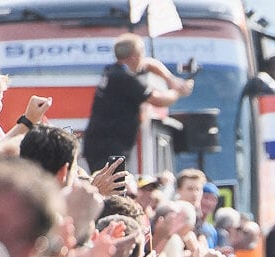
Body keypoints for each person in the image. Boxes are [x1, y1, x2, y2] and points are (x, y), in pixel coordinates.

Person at [82, 32, 193, 172]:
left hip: (103, 145)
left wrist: (172, 80)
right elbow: (158, 100)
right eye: (142, 52)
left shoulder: (114, 69)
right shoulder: (125, 79)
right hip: (109, 148)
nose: (143, 57)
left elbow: (150, 64)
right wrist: (179, 91)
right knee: (111, 188)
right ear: (135, 57)